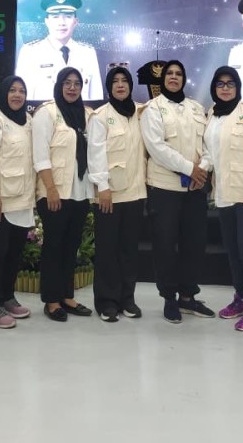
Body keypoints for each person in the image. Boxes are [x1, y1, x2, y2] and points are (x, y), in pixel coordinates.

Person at [140, 60, 214, 324]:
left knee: (194, 244)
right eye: (169, 74)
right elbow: (156, 147)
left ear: (184, 78)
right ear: (162, 79)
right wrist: (189, 169)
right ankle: (169, 298)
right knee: (165, 245)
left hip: (195, 188)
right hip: (165, 187)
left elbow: (209, 144)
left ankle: (187, 296)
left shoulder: (196, 108)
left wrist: (202, 169)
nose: (174, 77)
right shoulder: (153, 109)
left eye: (178, 73)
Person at [204, 66, 243, 332]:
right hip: (224, 193)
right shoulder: (213, 114)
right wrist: (201, 169)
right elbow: (209, 152)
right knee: (232, 250)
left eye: (230, 83)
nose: (225, 88)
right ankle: (241, 298)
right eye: (220, 84)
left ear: (238, 86)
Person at [32, 66, 93, 321]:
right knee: (54, 247)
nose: (72, 88)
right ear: (59, 85)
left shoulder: (87, 115)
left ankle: (67, 296)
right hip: (54, 193)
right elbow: (40, 155)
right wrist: (51, 189)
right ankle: (52, 300)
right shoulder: (46, 113)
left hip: (80, 192)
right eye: (67, 83)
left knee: (71, 247)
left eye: (77, 83)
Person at [87, 66, 147, 322]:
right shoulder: (101, 116)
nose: (121, 85)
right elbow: (95, 154)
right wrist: (102, 187)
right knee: (107, 250)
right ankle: (106, 301)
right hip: (109, 194)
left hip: (136, 192)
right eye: (115, 81)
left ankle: (127, 299)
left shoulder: (141, 113)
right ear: (109, 87)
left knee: (129, 250)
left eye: (125, 81)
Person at [0, 76, 34, 329]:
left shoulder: (28, 121)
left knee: (14, 253)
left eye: (22, 91)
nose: (17, 95)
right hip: (1, 200)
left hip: (23, 199)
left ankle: (8, 297)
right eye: (12, 90)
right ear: (4, 93)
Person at [16, 0, 103, 101]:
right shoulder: (30, 52)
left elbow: (96, 99)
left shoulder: (87, 53)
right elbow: (23, 100)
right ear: (47, 21)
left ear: (76, 21)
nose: (61, 22)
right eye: (55, 16)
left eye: (68, 16)